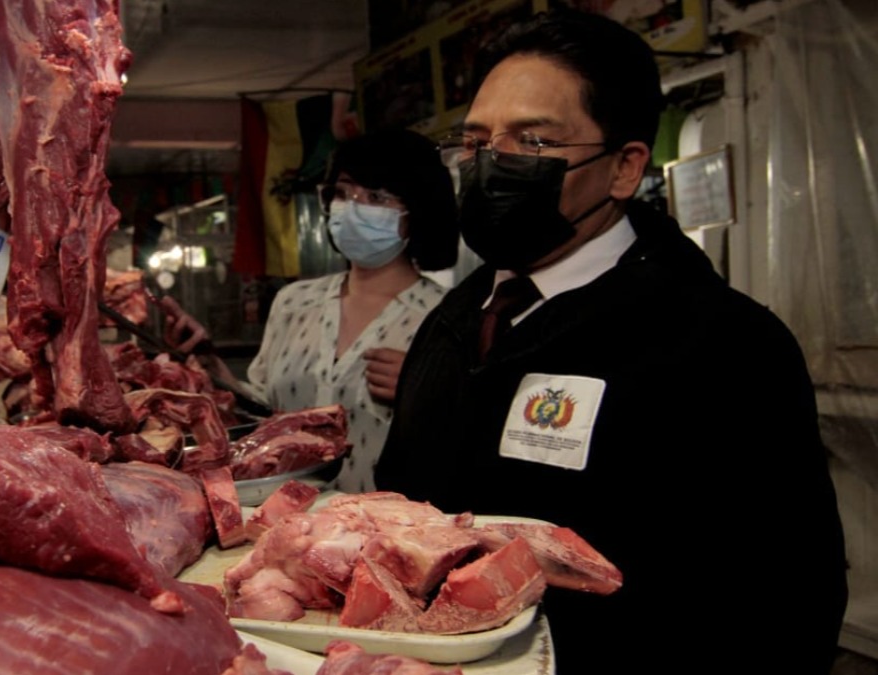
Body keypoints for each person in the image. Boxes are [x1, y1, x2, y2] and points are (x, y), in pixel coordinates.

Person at [374, 9, 847, 674]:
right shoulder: (454, 319)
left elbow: (786, 601)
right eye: (476, 140)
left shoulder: (726, 345)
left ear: (624, 168)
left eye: (532, 141)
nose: (490, 165)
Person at [161, 128, 459, 492]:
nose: (352, 207)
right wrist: (208, 365)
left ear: (419, 210)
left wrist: (423, 392)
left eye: (376, 197)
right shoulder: (294, 301)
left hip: (384, 532)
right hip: (282, 522)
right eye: (344, 192)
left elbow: (468, 441)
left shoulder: (448, 316)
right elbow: (261, 415)